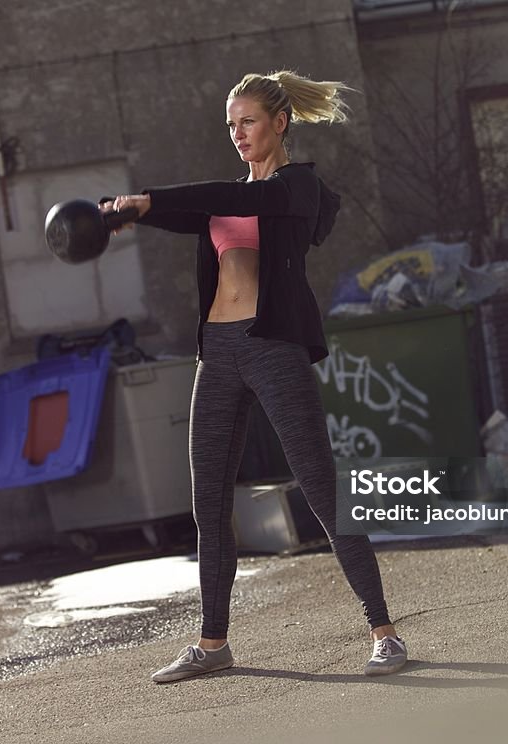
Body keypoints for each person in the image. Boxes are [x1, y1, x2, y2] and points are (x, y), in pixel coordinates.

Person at [102, 70, 407, 683]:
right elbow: (203, 210)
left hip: (272, 347)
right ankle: (213, 644)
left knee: (322, 490)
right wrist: (134, 212)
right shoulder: (231, 195)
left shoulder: (297, 188)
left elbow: (240, 201)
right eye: (231, 126)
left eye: (248, 122)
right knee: (208, 500)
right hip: (217, 352)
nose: (238, 135)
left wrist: (154, 197)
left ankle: (385, 633)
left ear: (281, 122)